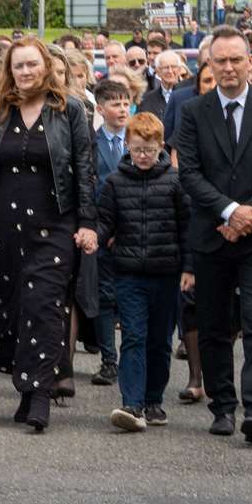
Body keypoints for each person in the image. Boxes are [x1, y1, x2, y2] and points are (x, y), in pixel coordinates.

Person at [0, 36, 96, 432]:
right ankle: (26, 389)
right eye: (19, 66)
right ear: (9, 71)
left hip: (56, 223)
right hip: (5, 225)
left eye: (32, 65)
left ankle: (41, 393)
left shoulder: (71, 110)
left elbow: (84, 167)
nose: (26, 72)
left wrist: (87, 222)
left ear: (46, 66)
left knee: (45, 306)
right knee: (14, 306)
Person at [171, 26, 252, 445]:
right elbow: (188, 173)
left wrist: (248, 215)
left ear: (250, 62)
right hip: (212, 234)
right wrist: (228, 210)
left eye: (235, 60)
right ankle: (223, 406)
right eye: (219, 61)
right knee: (214, 325)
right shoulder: (193, 112)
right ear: (210, 65)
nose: (227, 68)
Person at [96, 111, 186, 432]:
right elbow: (105, 220)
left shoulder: (175, 182)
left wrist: (189, 268)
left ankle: (153, 400)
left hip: (166, 273)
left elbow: (186, 227)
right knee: (133, 335)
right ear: (128, 148)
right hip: (129, 273)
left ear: (161, 146)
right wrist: (95, 236)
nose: (143, 156)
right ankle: (132, 403)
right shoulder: (115, 182)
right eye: (136, 150)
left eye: (149, 149)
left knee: (160, 340)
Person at [89, 78, 133, 387]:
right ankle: (108, 359)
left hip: (134, 230)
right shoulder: (91, 143)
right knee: (105, 295)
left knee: (130, 297)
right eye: (115, 104)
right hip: (103, 230)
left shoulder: (138, 139)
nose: (121, 109)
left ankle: (132, 357)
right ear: (101, 109)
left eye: (125, 103)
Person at [144, 49, 185, 119]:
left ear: (179, 70)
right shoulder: (147, 100)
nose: (170, 71)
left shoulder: (189, 96)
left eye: (173, 67)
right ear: (158, 71)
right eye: (166, 67)